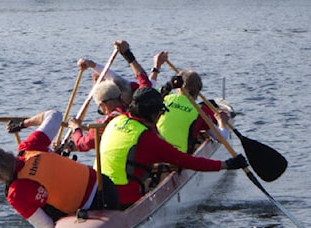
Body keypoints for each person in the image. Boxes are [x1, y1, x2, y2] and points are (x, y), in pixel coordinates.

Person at [98, 87, 247, 208]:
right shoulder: (147, 139)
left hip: (98, 193)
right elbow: (188, 162)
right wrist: (226, 165)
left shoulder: (115, 121)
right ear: (155, 114)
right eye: (160, 114)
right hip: (124, 199)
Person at [0, 109, 118, 228]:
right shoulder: (29, 146)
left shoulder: (15, 194)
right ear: (7, 153)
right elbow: (54, 115)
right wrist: (24, 124)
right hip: (105, 187)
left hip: (88, 210)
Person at [66, 40, 154, 152]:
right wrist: (127, 54)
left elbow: (83, 144)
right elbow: (144, 80)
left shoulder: (106, 123)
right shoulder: (142, 106)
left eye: (100, 109)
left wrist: (76, 128)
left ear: (105, 105)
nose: (102, 112)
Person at [157, 68, 227, 153]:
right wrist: (221, 121)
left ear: (177, 87)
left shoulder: (165, 98)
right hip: (179, 156)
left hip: (155, 150)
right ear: (198, 91)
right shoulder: (201, 111)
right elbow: (222, 138)